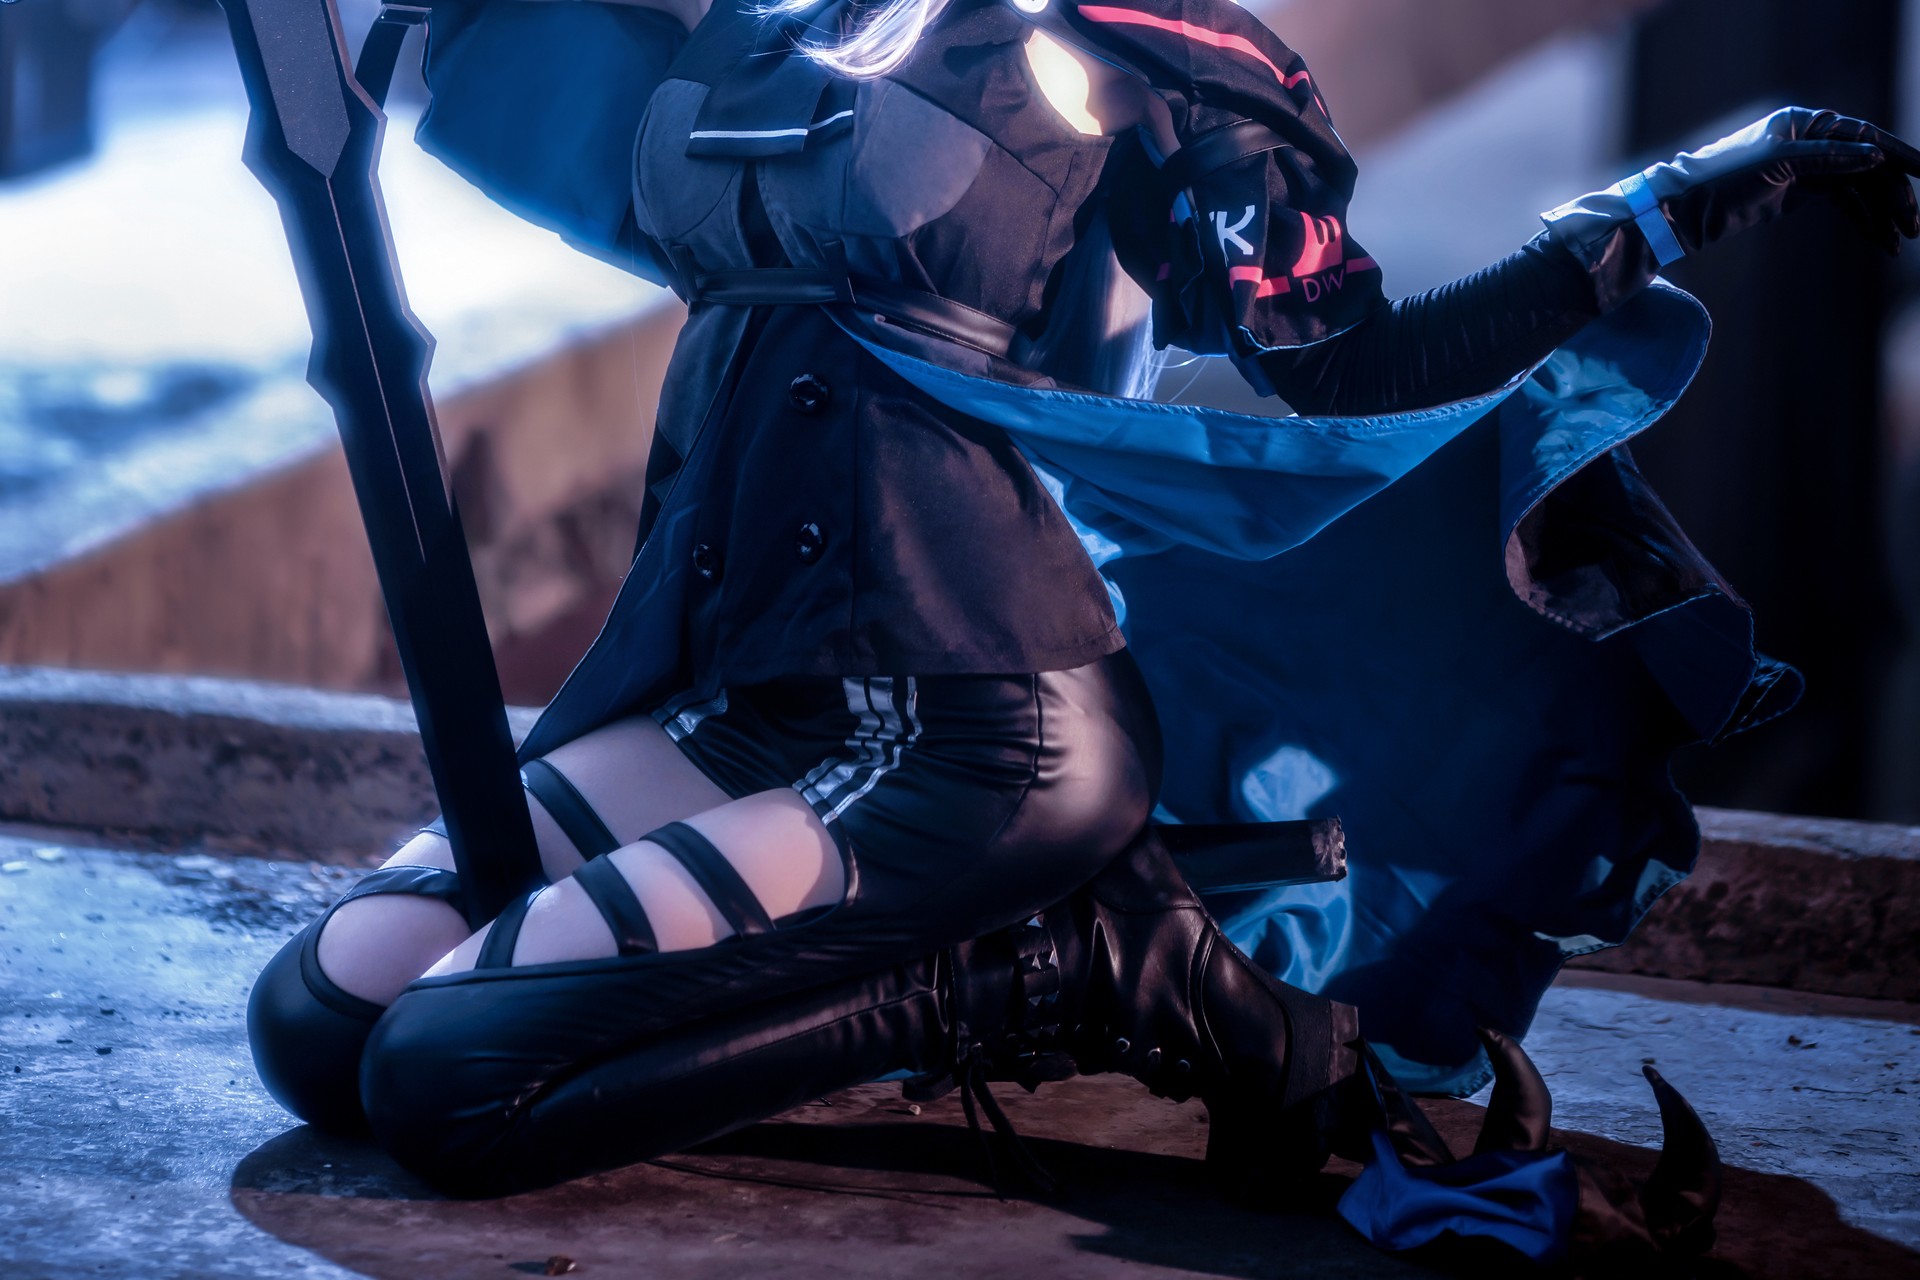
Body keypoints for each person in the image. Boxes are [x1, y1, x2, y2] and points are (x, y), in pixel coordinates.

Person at [245, 0, 1916, 1256]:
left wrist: (1674, 202)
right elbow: (503, 83)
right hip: (739, 695)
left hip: (972, 726)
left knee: (449, 1083)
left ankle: (1081, 969)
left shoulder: (1130, 46)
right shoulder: (787, 27)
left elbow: (1354, 367)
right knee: (321, 1022)